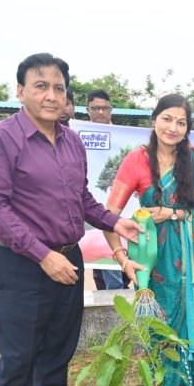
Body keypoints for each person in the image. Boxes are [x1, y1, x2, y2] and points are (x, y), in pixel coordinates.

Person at [0, 53, 143, 386]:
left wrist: (111, 220)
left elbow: (81, 199)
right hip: (22, 263)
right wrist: (43, 256)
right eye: (40, 86)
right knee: (20, 354)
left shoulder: (70, 140)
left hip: (68, 258)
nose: (51, 95)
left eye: (59, 88)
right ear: (20, 91)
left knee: (59, 346)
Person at [103, 93, 194, 386]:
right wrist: (122, 259)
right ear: (154, 120)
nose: (173, 128)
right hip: (157, 262)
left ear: (188, 129)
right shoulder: (136, 160)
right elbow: (108, 217)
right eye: (167, 119)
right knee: (163, 323)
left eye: (181, 122)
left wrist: (173, 213)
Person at [86, 89, 127, 290]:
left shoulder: (122, 137)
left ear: (111, 110)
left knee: (121, 266)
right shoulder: (76, 135)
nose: (101, 112)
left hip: (121, 209)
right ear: (88, 110)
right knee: (101, 266)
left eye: (105, 108)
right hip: (93, 210)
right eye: (96, 108)